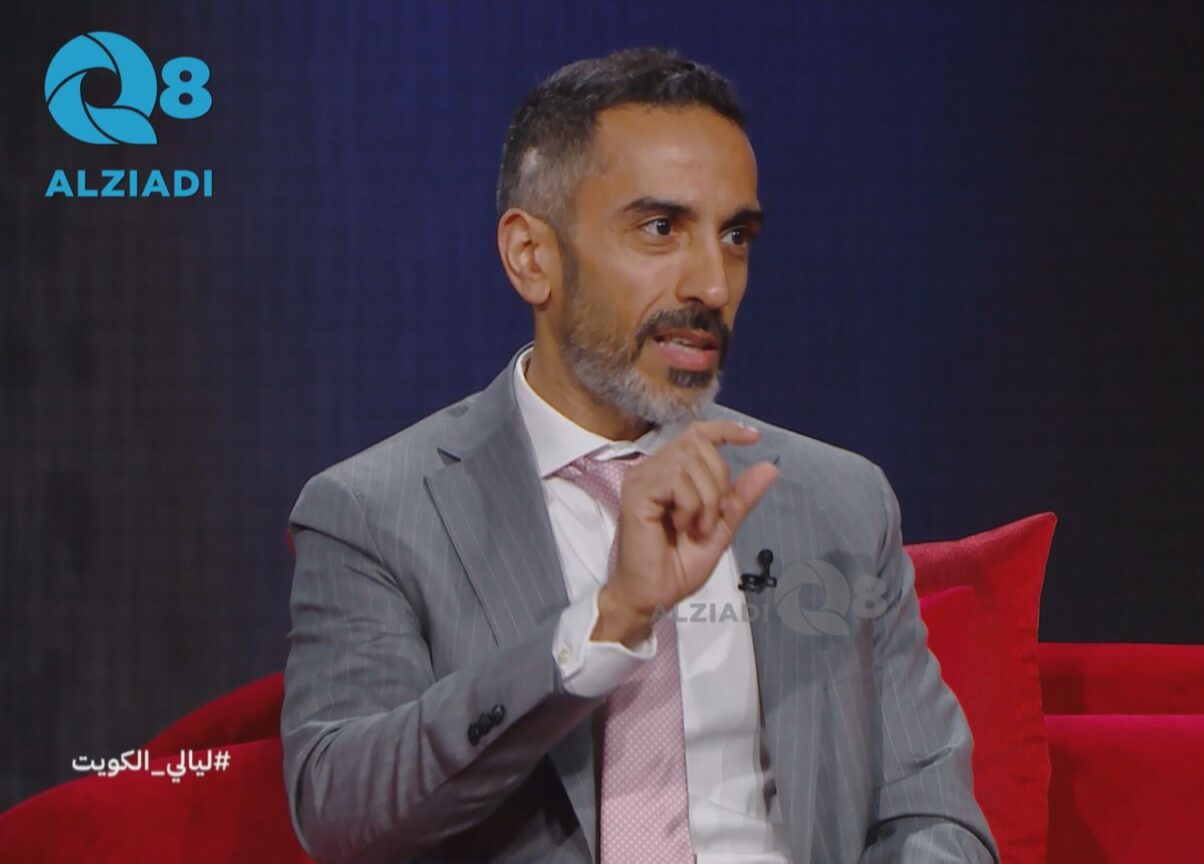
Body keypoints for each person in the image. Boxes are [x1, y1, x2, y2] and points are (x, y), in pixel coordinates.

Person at [280, 47, 997, 864]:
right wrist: (608, 621)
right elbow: (342, 810)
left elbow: (931, 817)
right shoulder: (376, 512)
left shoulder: (836, 500)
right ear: (532, 257)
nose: (713, 285)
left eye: (735, 236)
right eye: (661, 229)